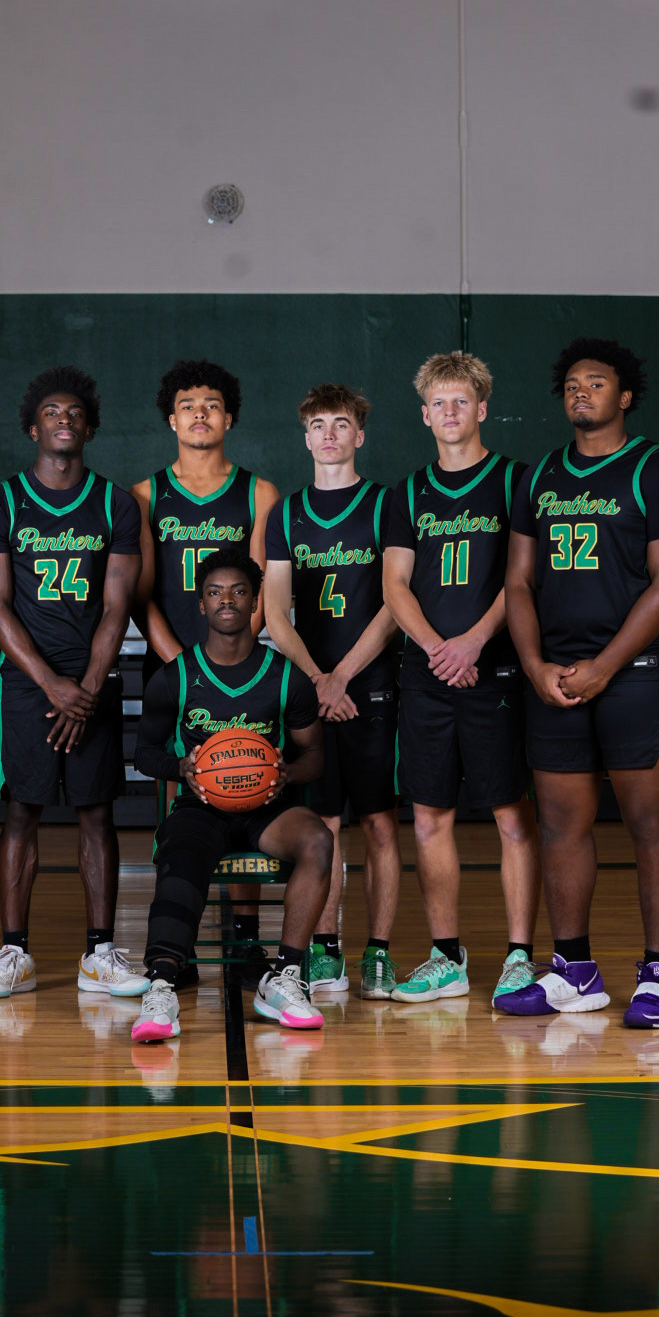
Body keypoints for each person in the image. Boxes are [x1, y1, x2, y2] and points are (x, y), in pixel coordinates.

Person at [498, 339, 659, 1026]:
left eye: (596, 382)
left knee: (651, 825)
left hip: (638, 673)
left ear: (626, 395)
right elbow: (518, 581)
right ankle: (575, 972)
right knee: (560, 827)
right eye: (572, 384)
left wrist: (606, 666)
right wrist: (534, 665)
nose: (581, 391)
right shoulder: (541, 475)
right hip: (556, 675)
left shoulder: (656, 469)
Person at [0, 365, 146, 1001]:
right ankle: (14, 953)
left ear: (89, 428)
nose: (64, 419)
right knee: (22, 811)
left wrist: (88, 688)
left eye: (74, 412)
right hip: (28, 683)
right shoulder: (2, 503)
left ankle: (99, 953)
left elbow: (117, 606)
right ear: (32, 428)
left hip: (93, 679)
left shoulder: (115, 504)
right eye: (51, 412)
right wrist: (51, 685)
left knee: (96, 813)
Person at [382, 351, 540, 1005]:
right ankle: (446, 957)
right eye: (439, 403)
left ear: (482, 408)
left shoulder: (515, 482)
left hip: (494, 670)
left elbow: (523, 578)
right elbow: (395, 584)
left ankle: (520, 956)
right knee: (428, 817)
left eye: (461, 401)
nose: (450, 412)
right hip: (426, 676)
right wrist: (435, 647)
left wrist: (473, 641)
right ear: (425, 415)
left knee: (511, 816)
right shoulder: (408, 492)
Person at [131, 547, 333, 1044]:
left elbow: (315, 755)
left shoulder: (286, 677)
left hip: (267, 807)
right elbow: (143, 754)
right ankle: (161, 986)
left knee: (318, 839)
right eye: (215, 592)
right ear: (201, 603)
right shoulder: (175, 676)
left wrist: (287, 774)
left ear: (255, 601)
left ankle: (285, 977)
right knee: (180, 850)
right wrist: (180, 767)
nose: (227, 600)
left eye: (239, 591)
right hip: (201, 805)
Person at [132, 359, 280, 987]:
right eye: (187, 405)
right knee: (179, 798)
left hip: (241, 666)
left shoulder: (259, 492)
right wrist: (181, 662)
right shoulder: (145, 494)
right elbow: (140, 593)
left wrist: (233, 656)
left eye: (211, 404)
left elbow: (262, 590)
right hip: (174, 664)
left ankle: (245, 939)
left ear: (229, 417)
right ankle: (181, 940)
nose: (200, 413)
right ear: (171, 419)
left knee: (244, 781)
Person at [263, 383, 401, 1000]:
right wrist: (319, 679)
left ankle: (379, 953)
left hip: (370, 686)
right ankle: (325, 950)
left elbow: (395, 605)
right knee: (323, 823)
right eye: (317, 424)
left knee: (378, 823)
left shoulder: (385, 504)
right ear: (305, 437)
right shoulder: (287, 513)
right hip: (311, 691)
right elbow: (274, 610)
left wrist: (342, 675)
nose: (329, 434)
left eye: (340, 424)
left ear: (359, 435)